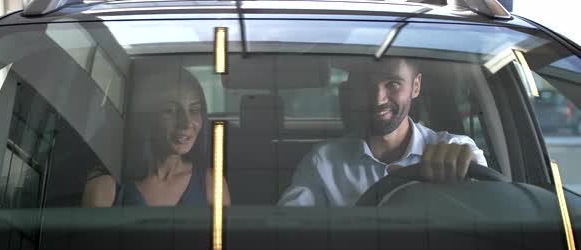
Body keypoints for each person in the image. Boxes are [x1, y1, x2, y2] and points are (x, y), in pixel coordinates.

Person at [278, 57, 487, 207]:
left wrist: (463, 184)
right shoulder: (324, 162)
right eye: (366, 84)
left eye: (393, 84)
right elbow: (290, 230)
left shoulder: (455, 150)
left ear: (415, 86)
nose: (378, 99)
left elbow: (490, 210)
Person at [82, 71, 230, 207]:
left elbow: (226, 236)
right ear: (147, 117)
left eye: (195, 110)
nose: (186, 123)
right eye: (170, 111)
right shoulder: (106, 186)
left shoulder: (213, 184)